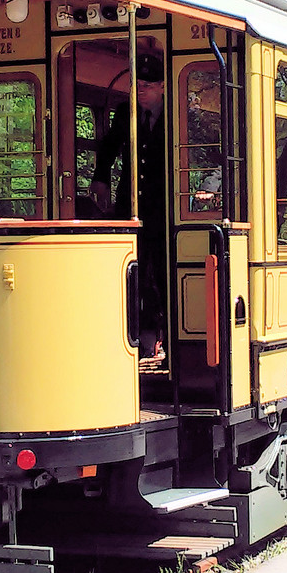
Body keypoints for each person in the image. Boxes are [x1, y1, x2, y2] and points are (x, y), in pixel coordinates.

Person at [92, 52, 167, 359]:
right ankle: (136, 338)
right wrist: (100, 180)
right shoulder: (126, 112)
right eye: (138, 84)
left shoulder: (176, 113)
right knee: (133, 270)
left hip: (165, 208)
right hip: (131, 204)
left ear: (162, 86)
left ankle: (164, 336)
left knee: (161, 272)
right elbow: (109, 146)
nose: (142, 89)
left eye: (148, 84)